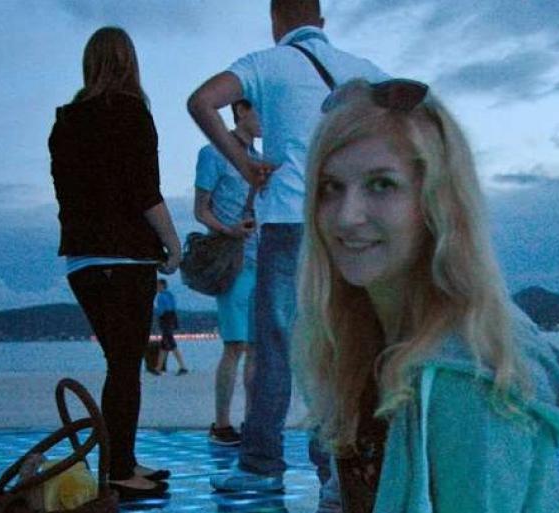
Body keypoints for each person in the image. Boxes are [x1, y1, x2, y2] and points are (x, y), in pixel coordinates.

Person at [293, 78, 559, 513]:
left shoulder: (468, 379)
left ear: (437, 202)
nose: (347, 217)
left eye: (381, 184)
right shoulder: (358, 339)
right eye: (331, 187)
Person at [187, 0, 388, 493]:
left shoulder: (264, 64)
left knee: (274, 351)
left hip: (286, 222)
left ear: (275, 21)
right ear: (322, 23)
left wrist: (244, 163)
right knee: (346, 347)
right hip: (349, 226)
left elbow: (201, 101)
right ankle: (338, 471)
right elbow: (416, 121)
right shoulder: (363, 70)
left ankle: (261, 467)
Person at [49, 26, 180, 500]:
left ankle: (123, 458)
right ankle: (119, 470)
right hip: (124, 258)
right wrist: (172, 245)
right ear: (129, 63)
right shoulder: (130, 113)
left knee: (119, 364)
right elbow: (145, 191)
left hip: (82, 262)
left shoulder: (65, 123)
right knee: (125, 367)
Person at [193, 99, 261, 446]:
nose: (265, 119)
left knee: (255, 347)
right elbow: (200, 210)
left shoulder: (261, 160)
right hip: (232, 262)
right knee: (236, 345)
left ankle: (251, 422)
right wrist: (229, 229)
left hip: (261, 260)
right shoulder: (212, 154)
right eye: (260, 111)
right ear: (242, 111)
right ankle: (221, 423)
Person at [153, 279, 188, 376]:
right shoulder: (170, 295)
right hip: (171, 321)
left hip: (166, 322)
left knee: (171, 344)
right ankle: (158, 368)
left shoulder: (160, 296)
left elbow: (161, 311)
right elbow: (172, 308)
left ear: (162, 286)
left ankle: (183, 367)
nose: (157, 287)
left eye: (158, 285)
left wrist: (155, 312)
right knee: (164, 345)